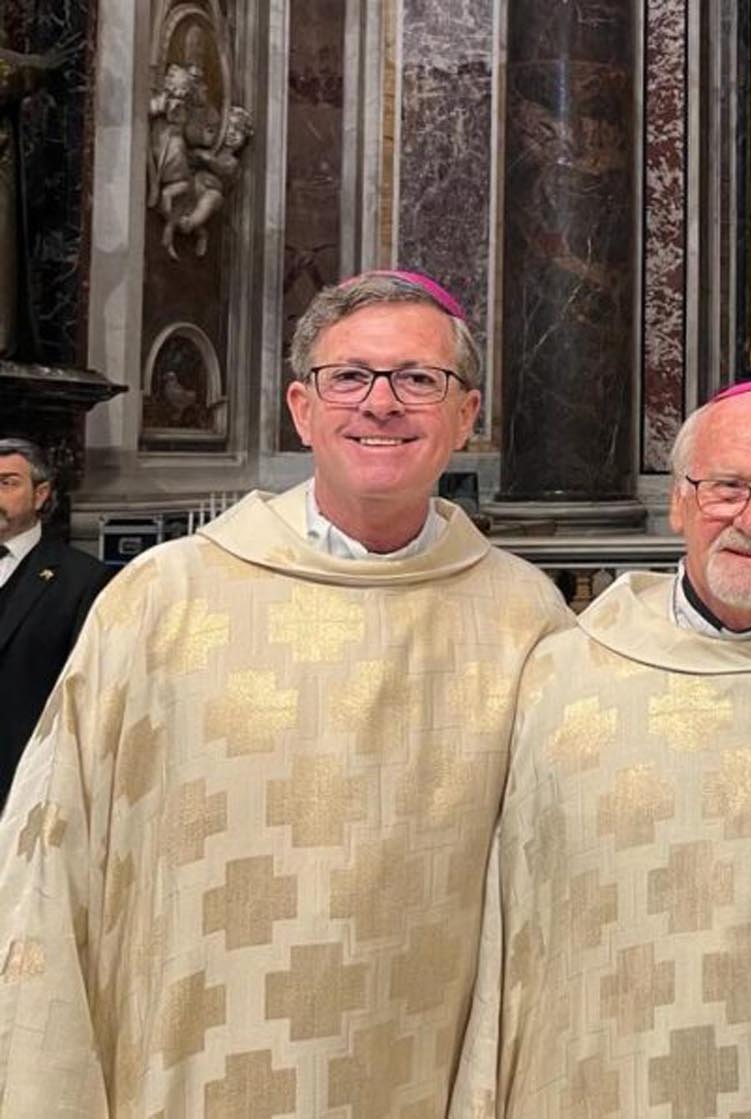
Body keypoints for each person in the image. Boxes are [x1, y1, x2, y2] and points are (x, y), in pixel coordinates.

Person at [0, 270, 575, 1115]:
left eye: (420, 379)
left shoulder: (526, 620)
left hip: (411, 1062)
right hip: (188, 1059)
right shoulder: (163, 599)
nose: (382, 403)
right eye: (350, 376)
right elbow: (49, 855)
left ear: (467, 414)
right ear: (302, 408)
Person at [452, 381, 751, 1117]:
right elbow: (506, 912)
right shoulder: (557, 675)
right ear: (679, 501)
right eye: (727, 487)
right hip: (597, 1072)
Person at [0, 437, 109, 790]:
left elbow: (89, 694)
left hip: (26, 781)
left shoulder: (83, 579)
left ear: (41, 494)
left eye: (7, 483)